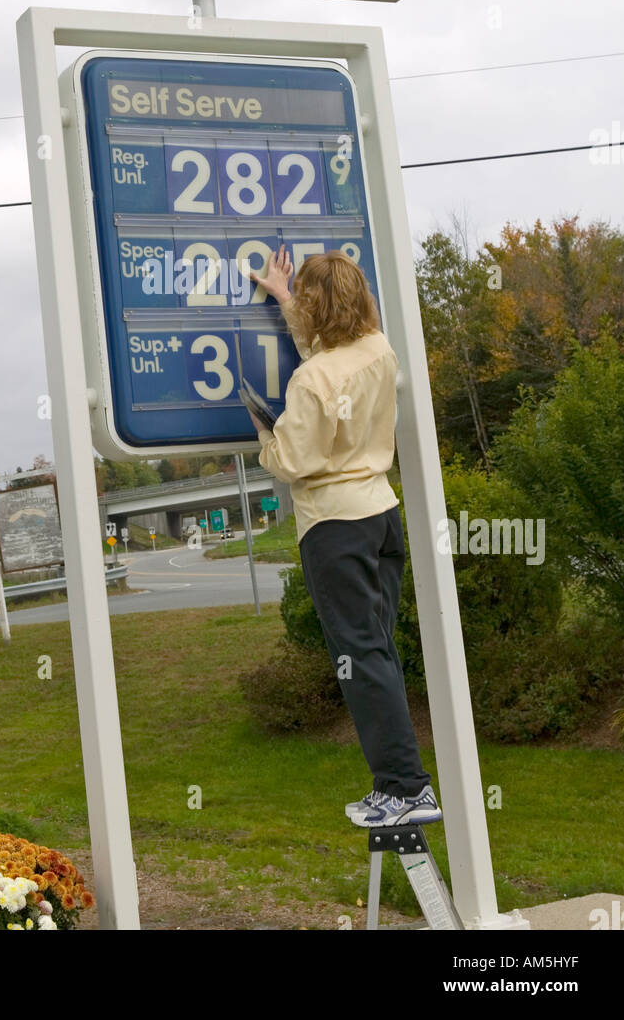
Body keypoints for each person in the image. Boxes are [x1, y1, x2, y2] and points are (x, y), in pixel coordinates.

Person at [245, 245, 441, 827]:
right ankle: (402, 784)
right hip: (382, 517)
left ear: (316, 307)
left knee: (361, 657)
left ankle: (405, 790)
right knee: (378, 653)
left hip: (335, 528)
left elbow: (295, 460)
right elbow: (332, 368)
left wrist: (264, 437)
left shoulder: (312, 380)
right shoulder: (378, 351)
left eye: (303, 298)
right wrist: (284, 296)